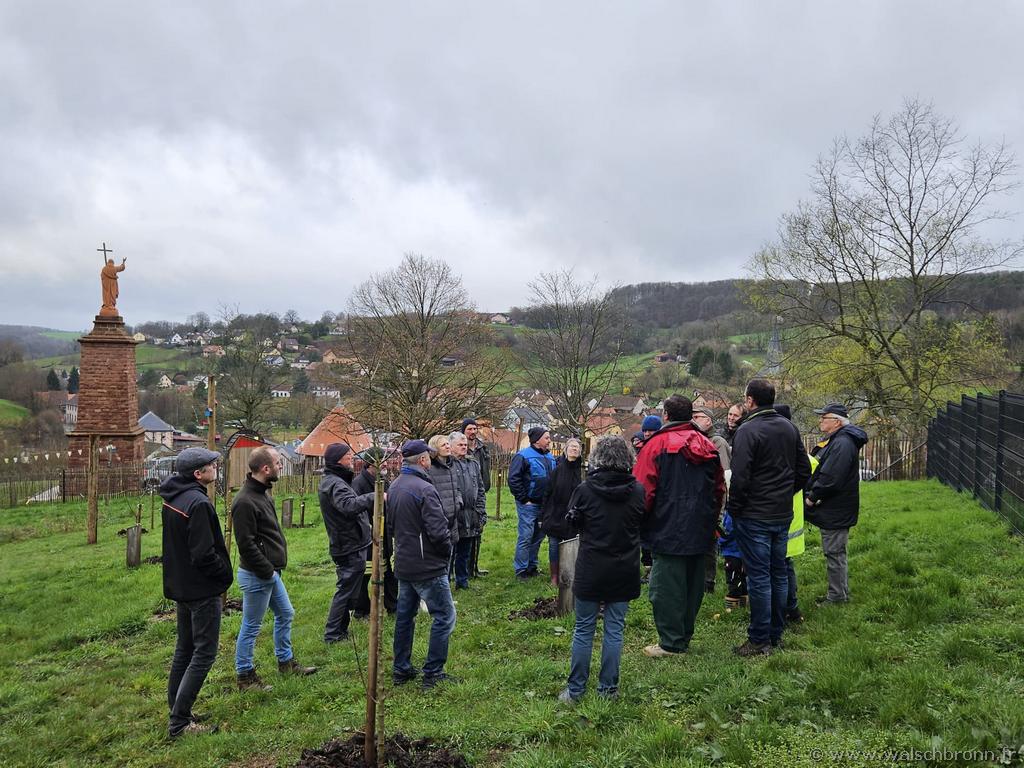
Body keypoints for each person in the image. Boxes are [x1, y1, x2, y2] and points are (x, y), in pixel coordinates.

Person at [633, 394, 725, 657]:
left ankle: (671, 643)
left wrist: (637, 524)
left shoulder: (656, 445)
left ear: (666, 415)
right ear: (691, 416)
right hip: (701, 526)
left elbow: (643, 491)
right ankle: (683, 635)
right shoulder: (707, 445)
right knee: (693, 585)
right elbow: (719, 488)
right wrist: (712, 518)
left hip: (667, 527)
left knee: (666, 588)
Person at [727, 380, 811, 657]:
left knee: (760, 577)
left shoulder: (747, 430)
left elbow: (739, 477)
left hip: (754, 515)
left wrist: (736, 508)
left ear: (750, 401)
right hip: (781, 512)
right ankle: (775, 634)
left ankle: (759, 638)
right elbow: (803, 470)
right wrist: (785, 493)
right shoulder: (789, 428)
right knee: (778, 572)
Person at [558, 435, 645, 703]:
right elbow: (642, 521)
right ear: (627, 460)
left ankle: (575, 691)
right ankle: (608, 689)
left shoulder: (585, 490)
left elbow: (571, 526)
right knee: (614, 629)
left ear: (597, 459)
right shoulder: (638, 490)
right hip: (624, 566)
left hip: (592, 566)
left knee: (584, 629)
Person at [160, 447, 232, 739]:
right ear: (198, 473)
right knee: (204, 652)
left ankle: (178, 709)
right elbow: (203, 554)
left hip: (182, 587)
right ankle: (179, 723)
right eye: (210, 465)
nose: (215, 467)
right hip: (201, 589)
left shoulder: (174, 498)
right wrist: (223, 575)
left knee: (184, 650)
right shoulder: (198, 504)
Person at [232, 446, 317, 689]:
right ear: (265, 468)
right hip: (258, 575)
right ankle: (245, 676)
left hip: (270, 573)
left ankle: (286, 661)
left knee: (285, 613)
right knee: (251, 626)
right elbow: (245, 544)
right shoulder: (245, 501)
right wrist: (267, 571)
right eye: (278, 463)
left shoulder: (263, 493)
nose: (281, 466)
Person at [389, 439, 458, 690]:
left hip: (405, 563)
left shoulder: (395, 486)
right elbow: (438, 531)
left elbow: (391, 526)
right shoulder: (424, 489)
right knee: (445, 616)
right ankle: (433, 672)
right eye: (428, 456)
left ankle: (401, 668)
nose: (430, 459)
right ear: (421, 460)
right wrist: (444, 554)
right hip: (427, 565)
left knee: (405, 617)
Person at [805, 403, 868, 605]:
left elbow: (831, 478)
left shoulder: (842, 443)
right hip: (838, 507)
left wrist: (812, 497)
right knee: (836, 552)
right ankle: (840, 593)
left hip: (836, 508)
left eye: (824, 418)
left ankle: (837, 597)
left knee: (834, 553)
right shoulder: (840, 440)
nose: (820, 421)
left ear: (837, 422)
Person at [319, 442, 377, 643]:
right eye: (347, 456)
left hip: (350, 542)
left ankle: (339, 630)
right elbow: (349, 506)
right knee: (345, 591)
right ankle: (333, 633)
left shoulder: (335, 480)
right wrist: (373, 497)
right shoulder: (334, 483)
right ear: (338, 460)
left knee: (348, 589)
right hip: (348, 544)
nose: (351, 459)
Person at [773, 404, 817, 624]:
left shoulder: (783, 449)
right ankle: (791, 608)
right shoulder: (798, 451)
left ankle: (788, 609)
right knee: (785, 567)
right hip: (793, 518)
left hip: (782, 517)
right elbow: (811, 465)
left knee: (781, 568)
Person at [351, 448, 399, 615]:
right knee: (365, 574)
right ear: (371, 463)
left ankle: (393, 606)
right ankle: (361, 610)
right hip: (368, 536)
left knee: (389, 571)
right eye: (381, 460)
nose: (385, 463)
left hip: (386, 533)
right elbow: (357, 509)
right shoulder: (358, 484)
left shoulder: (383, 479)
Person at [507, 427, 557, 580]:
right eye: (547, 438)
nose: (549, 441)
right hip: (528, 504)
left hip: (545, 505)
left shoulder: (550, 457)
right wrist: (523, 499)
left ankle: (532, 565)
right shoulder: (523, 456)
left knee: (538, 536)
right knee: (526, 536)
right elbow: (513, 479)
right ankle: (521, 569)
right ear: (537, 440)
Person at [692, 406, 732, 594]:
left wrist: (720, 506)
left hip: (714, 499)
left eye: (697, 416)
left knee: (710, 540)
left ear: (708, 420)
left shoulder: (717, 442)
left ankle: (709, 581)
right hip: (698, 499)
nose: (693, 419)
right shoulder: (695, 439)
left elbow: (723, 475)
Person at [540, 437, 584, 586]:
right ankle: (554, 576)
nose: (574, 449)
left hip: (575, 516)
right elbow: (547, 493)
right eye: (571, 446)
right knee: (554, 544)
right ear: (565, 450)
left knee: (572, 546)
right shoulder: (557, 470)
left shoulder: (583, 473)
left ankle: (569, 574)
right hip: (555, 515)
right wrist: (543, 515)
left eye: (577, 447)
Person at [449, 431, 487, 590]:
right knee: (450, 551)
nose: (464, 447)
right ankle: (446, 581)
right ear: (451, 446)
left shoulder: (473, 464)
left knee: (465, 551)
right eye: (460, 445)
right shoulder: (447, 464)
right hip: (454, 514)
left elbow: (480, 489)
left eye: (465, 445)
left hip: (471, 513)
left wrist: (480, 510)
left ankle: (462, 581)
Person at [427, 434, 463, 579]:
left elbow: (457, 487)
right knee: (438, 563)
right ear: (435, 449)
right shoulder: (430, 468)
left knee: (449, 558)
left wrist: (458, 502)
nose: (448, 446)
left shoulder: (452, 465)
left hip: (453, 519)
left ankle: (445, 594)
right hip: (439, 521)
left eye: (448, 444)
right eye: (444, 445)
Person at [462, 418, 491, 577]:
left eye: (474, 429)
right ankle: (461, 569)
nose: (472, 432)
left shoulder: (482, 448)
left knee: (478, 528)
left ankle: (474, 567)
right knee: (463, 532)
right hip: (465, 494)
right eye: (469, 429)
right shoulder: (460, 448)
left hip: (479, 493)